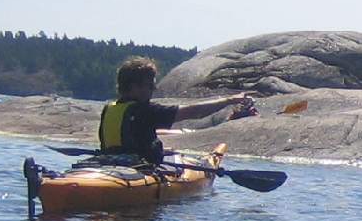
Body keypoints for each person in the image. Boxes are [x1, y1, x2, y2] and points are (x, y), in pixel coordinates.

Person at [98, 55, 255, 165]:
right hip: (138, 170)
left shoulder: (109, 110)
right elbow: (194, 112)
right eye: (151, 85)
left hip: (109, 164)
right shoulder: (146, 111)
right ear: (135, 87)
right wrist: (230, 100)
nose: (153, 89)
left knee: (167, 151)